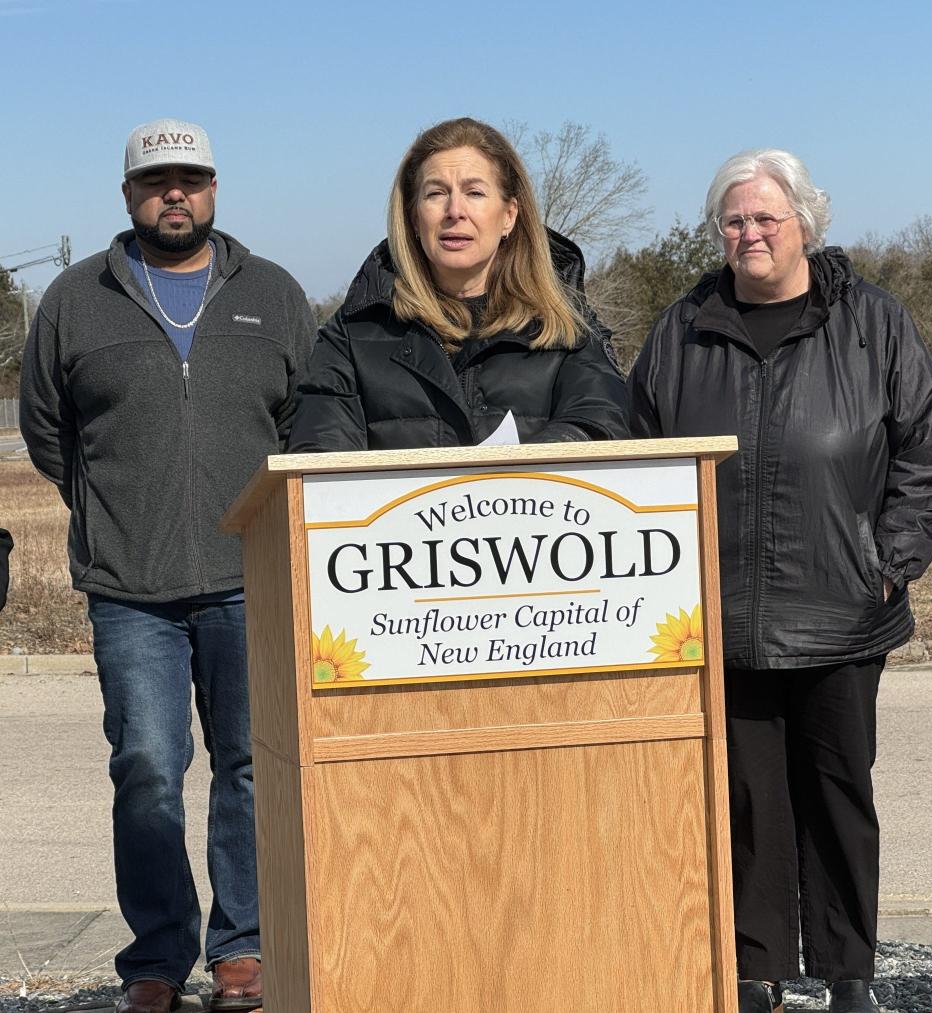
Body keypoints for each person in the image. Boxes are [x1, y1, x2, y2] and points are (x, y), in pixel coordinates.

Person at [627, 150, 932, 1013]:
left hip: (844, 613)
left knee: (840, 795)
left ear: (805, 222)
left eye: (767, 217)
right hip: (724, 618)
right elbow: (636, 454)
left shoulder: (872, 322)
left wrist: (886, 566)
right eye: (735, 221)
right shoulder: (680, 331)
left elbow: (927, 458)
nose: (751, 233)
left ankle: (851, 972)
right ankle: (756, 968)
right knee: (746, 804)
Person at [19, 118, 316, 1013]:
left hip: (249, 579)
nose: (173, 193)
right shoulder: (76, 298)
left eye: (190, 178)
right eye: (156, 181)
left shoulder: (274, 292)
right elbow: (46, 429)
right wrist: (120, 510)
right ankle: (155, 954)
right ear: (128, 196)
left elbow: (307, 420)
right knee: (146, 766)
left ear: (216, 189)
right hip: (129, 590)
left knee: (249, 764)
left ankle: (243, 947)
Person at [287, 117, 627, 454]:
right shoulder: (351, 336)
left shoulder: (571, 329)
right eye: (436, 193)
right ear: (413, 218)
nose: (455, 211)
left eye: (474, 192)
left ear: (509, 215)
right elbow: (320, 457)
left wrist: (504, 477)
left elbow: (601, 425)